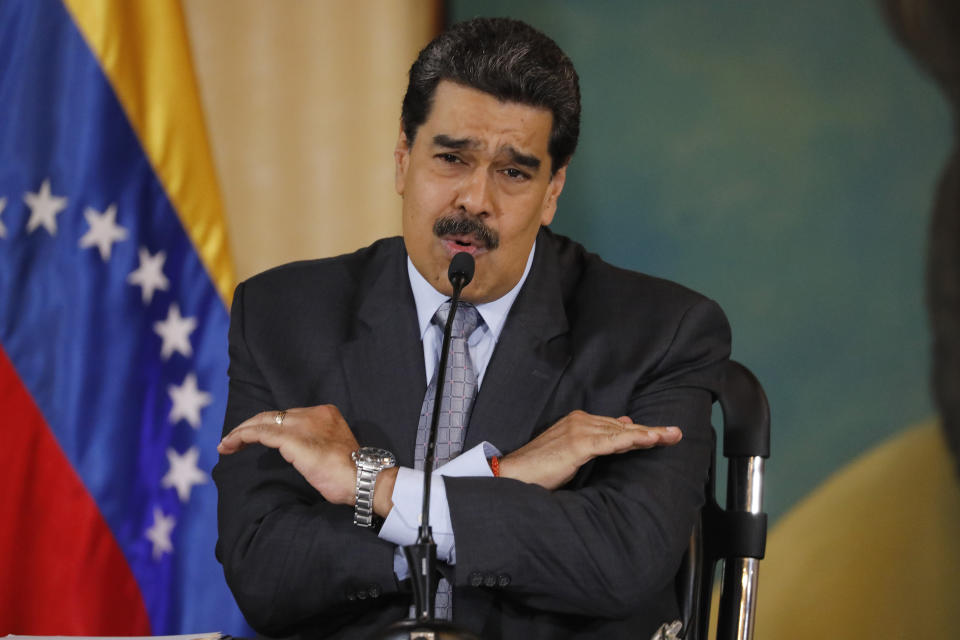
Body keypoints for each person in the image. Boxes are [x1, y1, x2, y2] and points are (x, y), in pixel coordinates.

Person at [213, 17, 730, 640]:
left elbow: (620, 560)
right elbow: (266, 573)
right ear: (403, 159)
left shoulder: (660, 332)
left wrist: (374, 489)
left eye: (514, 173)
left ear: (552, 191)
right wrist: (502, 482)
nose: (475, 200)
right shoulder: (285, 315)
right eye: (451, 158)